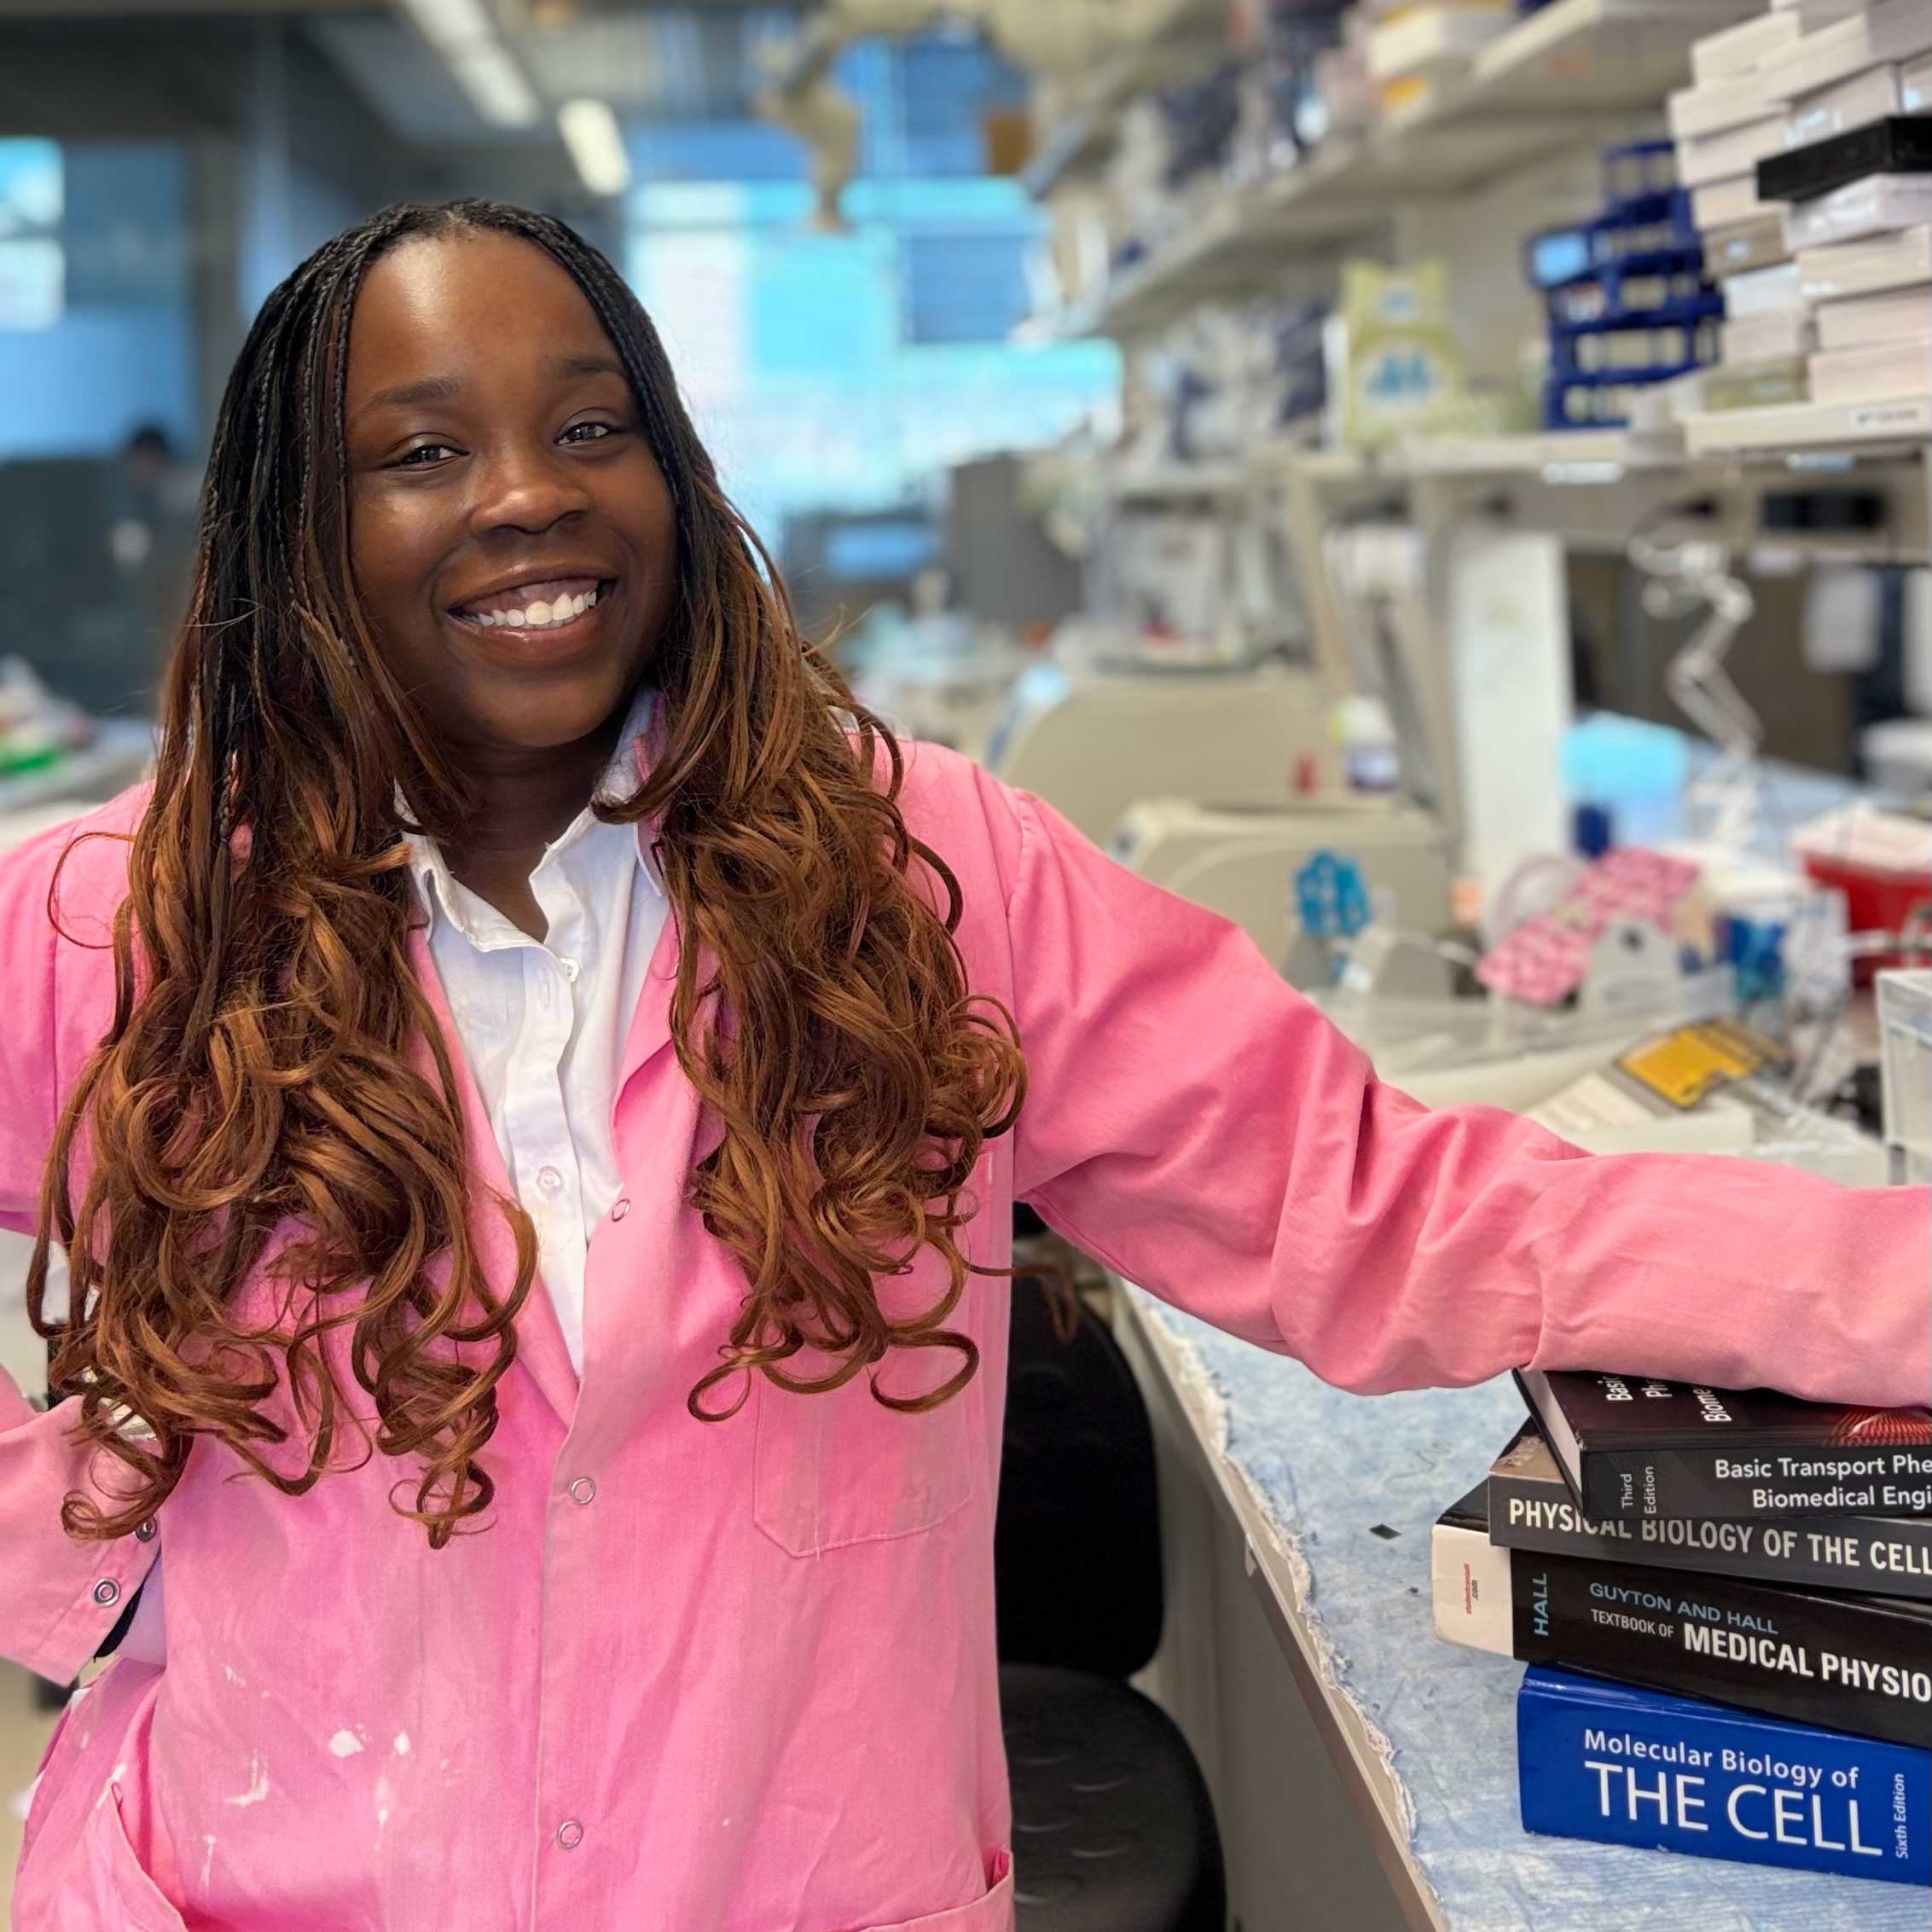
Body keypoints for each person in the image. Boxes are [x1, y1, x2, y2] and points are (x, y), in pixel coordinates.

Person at [0, 199, 1921, 1931]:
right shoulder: (120, 920)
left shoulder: (919, 878)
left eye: (589, 426)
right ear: (297, 535)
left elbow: (1379, 1208)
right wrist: (80, 1551)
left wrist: (1889, 1289)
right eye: (419, 452)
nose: (524, 494)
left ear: (672, 470)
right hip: (244, 1884)